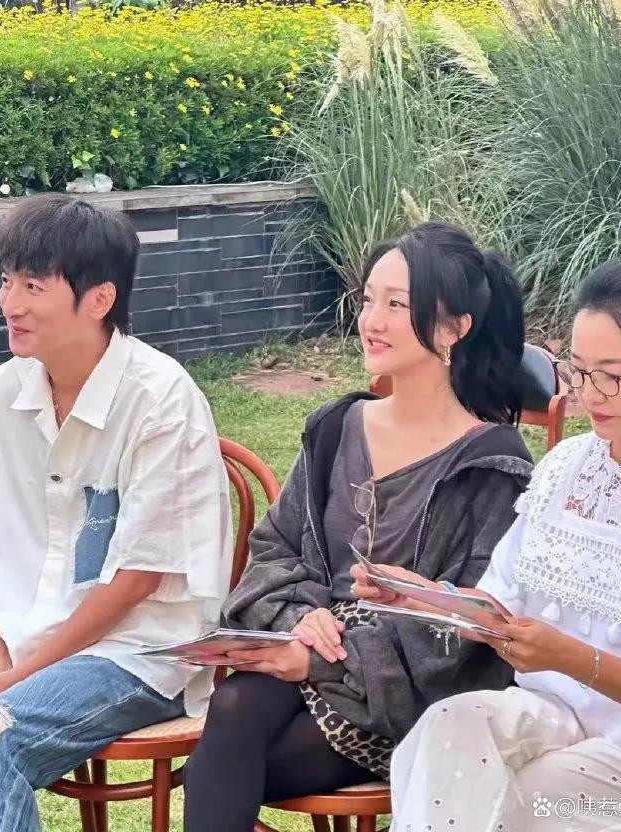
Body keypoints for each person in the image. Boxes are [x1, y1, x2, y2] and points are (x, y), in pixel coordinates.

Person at [183, 221, 534, 831]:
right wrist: (300, 622)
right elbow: (275, 549)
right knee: (236, 707)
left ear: (454, 328)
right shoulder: (336, 428)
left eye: (396, 305)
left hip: (407, 698)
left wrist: (323, 660)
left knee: (222, 755)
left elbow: (469, 624)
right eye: (369, 299)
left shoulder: (492, 464)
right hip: (305, 656)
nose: (371, 320)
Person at [379, 254, 621, 831]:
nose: (590, 394)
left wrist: (572, 658)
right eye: (578, 371)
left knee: (522, 804)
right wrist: (430, 599)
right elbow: (503, 603)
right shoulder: (566, 469)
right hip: (549, 720)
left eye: (612, 375)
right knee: (448, 730)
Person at [0, 194, 232, 831]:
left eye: (33, 286)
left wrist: (16, 678)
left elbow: (136, 580)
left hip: (136, 650)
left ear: (99, 299)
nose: (9, 303)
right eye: (7, 280)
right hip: (16, 638)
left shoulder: (161, 400)